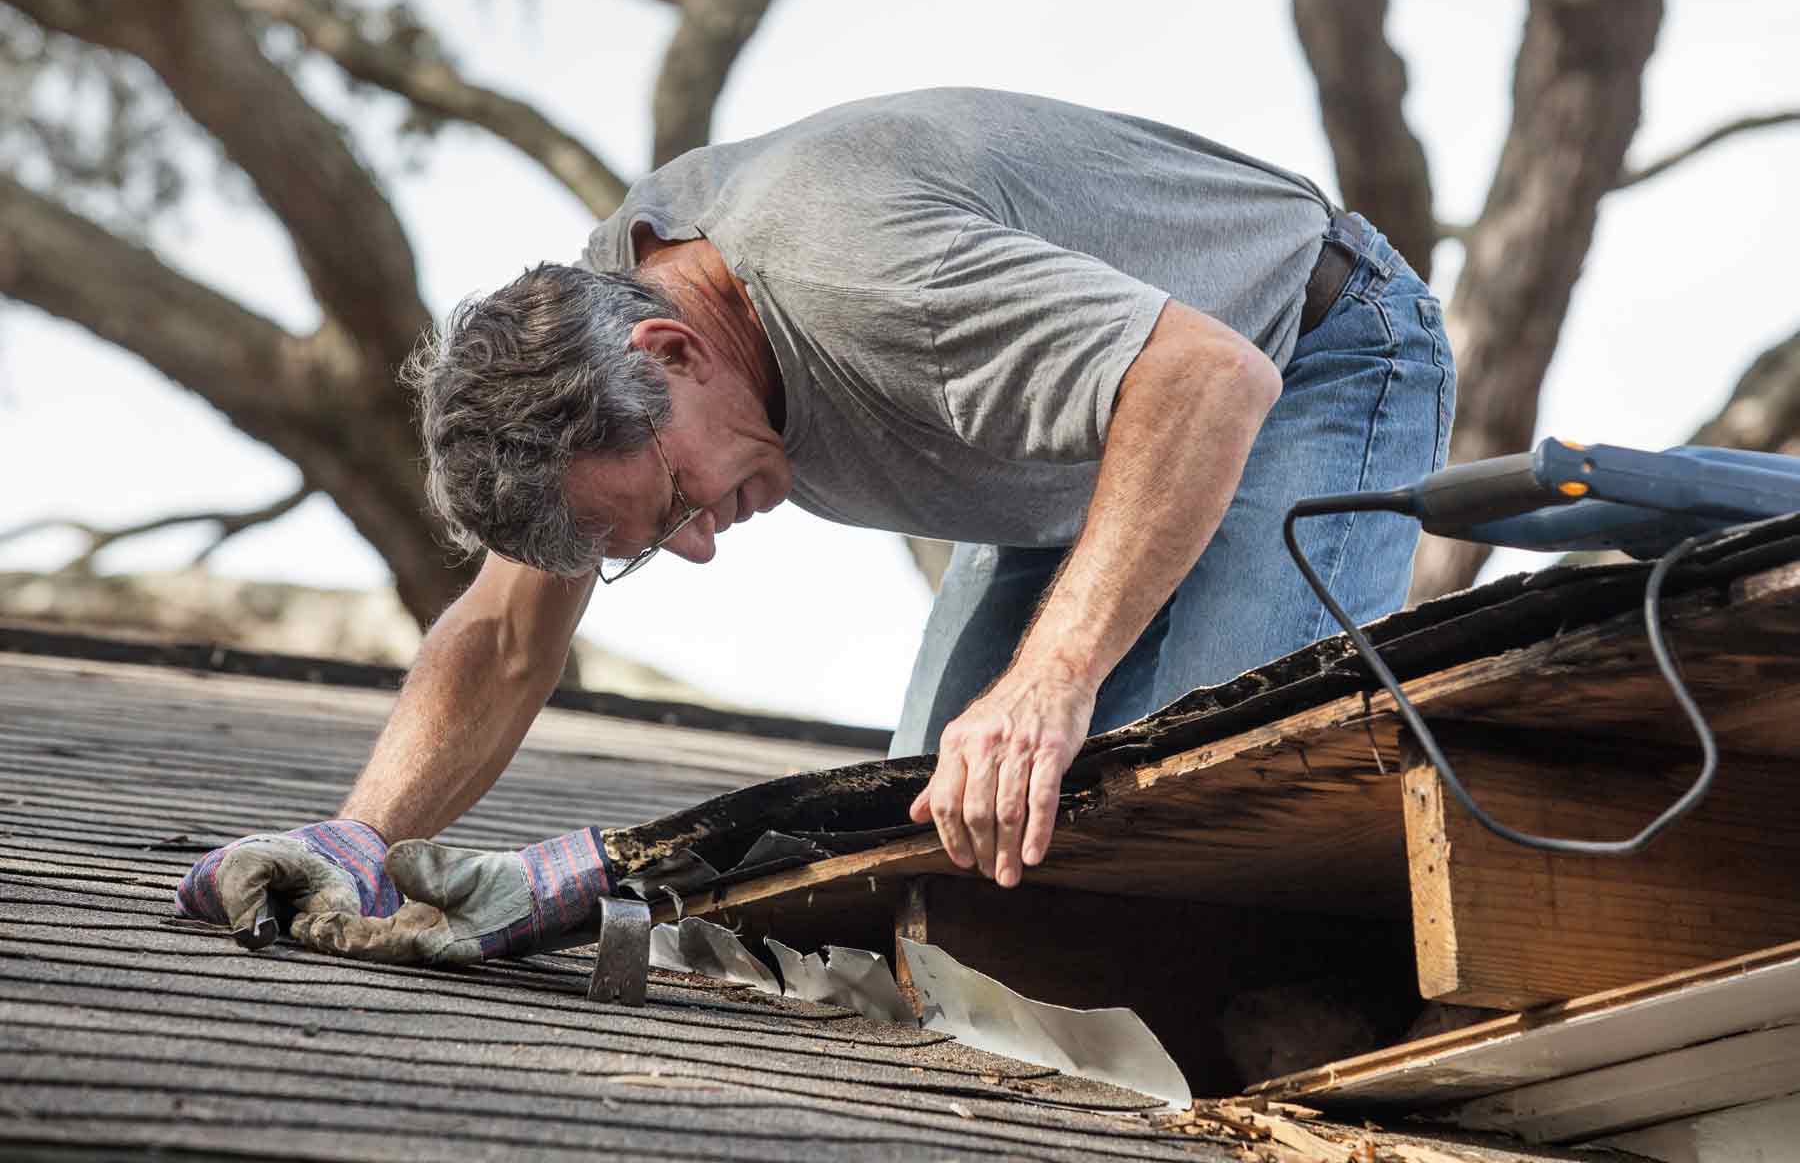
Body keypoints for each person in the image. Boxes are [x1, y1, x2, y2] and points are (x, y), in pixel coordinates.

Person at [175, 89, 1454, 964]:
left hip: (1310, 353)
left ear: (673, 350)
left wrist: (1051, 681)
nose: (698, 544)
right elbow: (508, 638)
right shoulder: (586, 352)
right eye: (646, 544)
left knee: (1215, 822)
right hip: (1072, 458)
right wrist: (359, 842)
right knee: (941, 866)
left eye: (674, 503)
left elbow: (1203, 381)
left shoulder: (860, 273)